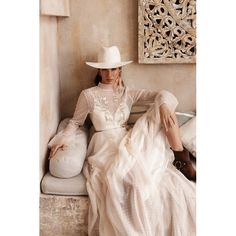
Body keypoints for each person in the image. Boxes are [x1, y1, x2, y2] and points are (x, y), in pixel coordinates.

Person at [49, 46, 196, 236]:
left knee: (162, 106)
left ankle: (181, 159)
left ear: (120, 70)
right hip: (103, 146)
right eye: (105, 69)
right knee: (127, 182)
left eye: (114, 68)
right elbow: (76, 122)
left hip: (127, 140)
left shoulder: (128, 93)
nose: (110, 74)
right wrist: (63, 139)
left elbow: (164, 93)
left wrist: (165, 106)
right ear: (99, 71)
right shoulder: (88, 95)